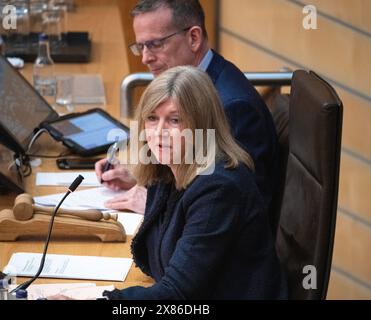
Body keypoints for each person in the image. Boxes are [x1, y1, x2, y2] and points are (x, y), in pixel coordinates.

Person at [98, 66, 286, 299]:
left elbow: (177, 294)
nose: (159, 132)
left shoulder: (219, 189)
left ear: (201, 125)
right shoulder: (166, 168)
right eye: (152, 118)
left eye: (175, 120)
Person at [96, 0, 278, 224]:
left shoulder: (232, 106)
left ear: (193, 38)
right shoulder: (198, 84)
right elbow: (193, 173)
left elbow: (235, 205)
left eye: (155, 44)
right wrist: (141, 178)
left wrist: (155, 204)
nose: (145, 58)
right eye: (140, 46)